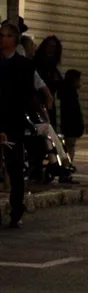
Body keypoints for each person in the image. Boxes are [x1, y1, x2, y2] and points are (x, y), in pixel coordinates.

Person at [0, 21, 37, 229]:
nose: (2, 39)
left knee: (14, 169)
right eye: (1, 35)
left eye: (6, 36)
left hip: (13, 121)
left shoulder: (24, 65)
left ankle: (16, 210)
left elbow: (26, 95)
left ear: (14, 39)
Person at [34, 35, 63, 129]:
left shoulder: (53, 69)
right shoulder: (36, 65)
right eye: (49, 46)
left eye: (54, 47)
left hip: (50, 106)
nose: (51, 49)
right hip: (38, 104)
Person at [60, 69, 84, 162]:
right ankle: (67, 165)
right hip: (71, 127)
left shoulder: (69, 94)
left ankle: (68, 164)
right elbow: (74, 113)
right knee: (69, 147)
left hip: (69, 127)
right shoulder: (70, 95)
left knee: (69, 146)